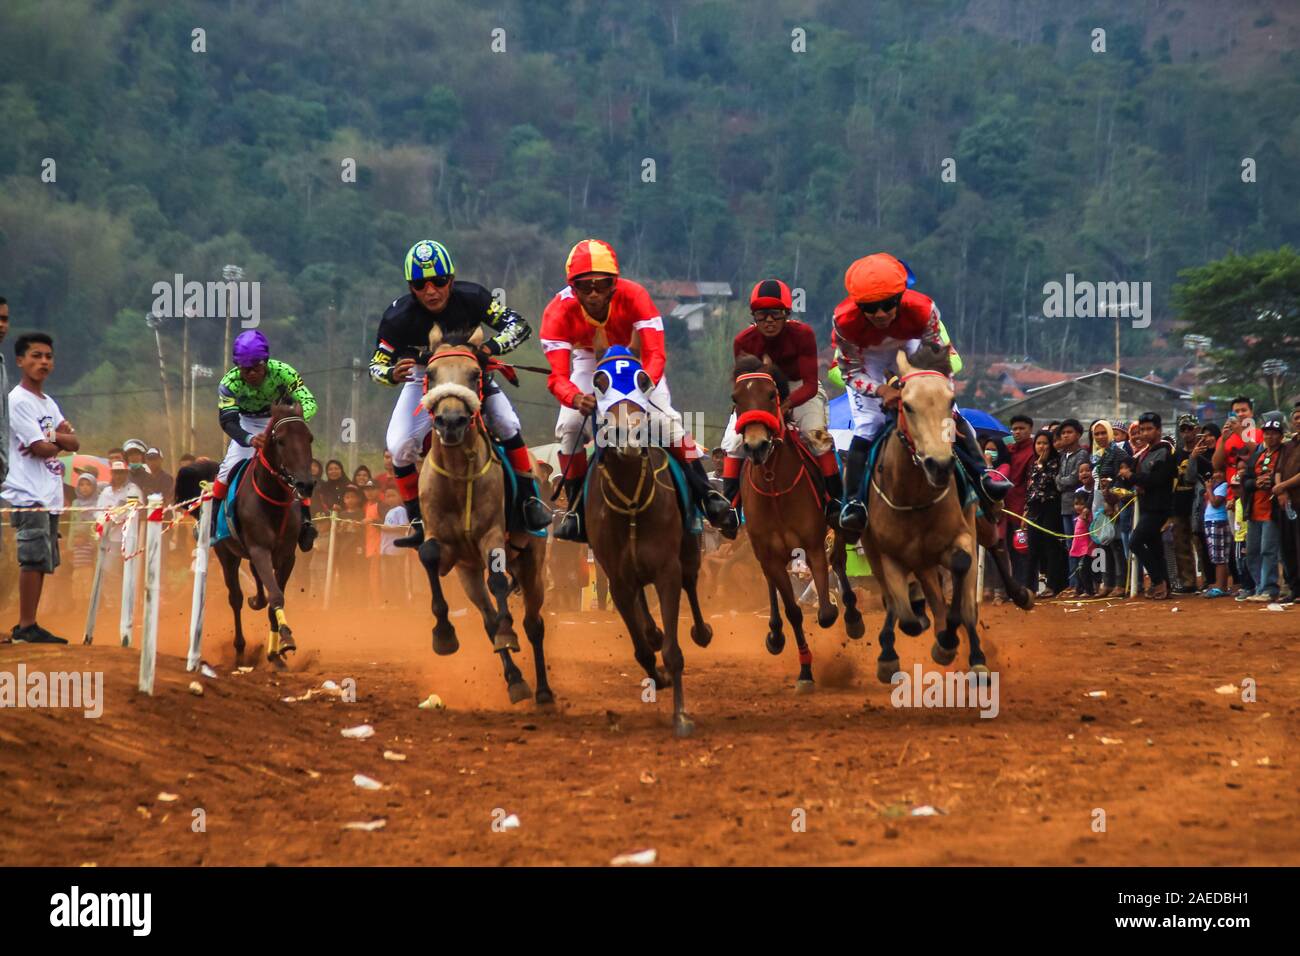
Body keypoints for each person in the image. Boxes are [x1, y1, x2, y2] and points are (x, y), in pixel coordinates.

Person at [540, 238, 735, 541]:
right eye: (584, 286)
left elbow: (656, 354)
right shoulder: (557, 311)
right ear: (572, 287)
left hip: (636, 361)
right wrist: (575, 398)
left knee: (667, 421)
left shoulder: (636, 296)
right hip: (589, 360)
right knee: (569, 425)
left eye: (602, 285)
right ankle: (576, 511)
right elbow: (557, 377)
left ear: (614, 284)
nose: (594, 294)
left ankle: (706, 495)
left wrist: (643, 388)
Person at [371, 239, 550, 548]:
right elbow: (377, 364)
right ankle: (417, 520)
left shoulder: (473, 296)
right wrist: (391, 373)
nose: (431, 291)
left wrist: (489, 348)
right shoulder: (397, 316)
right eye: (420, 284)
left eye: (439, 281)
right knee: (398, 445)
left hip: (469, 376)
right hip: (422, 379)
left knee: (507, 423)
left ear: (451, 280)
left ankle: (530, 503)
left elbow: (518, 325)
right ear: (411, 288)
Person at [830, 253, 1010, 534]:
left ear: (902, 297)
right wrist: (882, 389)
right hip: (869, 359)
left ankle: (982, 474)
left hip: (912, 345)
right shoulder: (843, 321)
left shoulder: (924, 309)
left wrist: (923, 388)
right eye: (870, 308)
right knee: (869, 424)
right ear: (857, 305)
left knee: (948, 412)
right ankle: (853, 503)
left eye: (887, 305)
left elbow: (940, 360)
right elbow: (850, 373)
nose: (879, 314)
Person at [719, 278, 842, 518]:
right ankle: (730, 510)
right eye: (761, 315)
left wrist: (785, 405)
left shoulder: (803, 334)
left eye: (775, 314)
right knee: (732, 444)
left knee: (817, 437)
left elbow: (809, 384)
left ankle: (835, 504)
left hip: (798, 388)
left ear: (787, 313)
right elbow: (743, 385)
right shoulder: (742, 341)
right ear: (753, 316)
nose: (769, 321)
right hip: (758, 391)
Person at [1, 332, 79, 643]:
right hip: (27, 491)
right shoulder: (17, 401)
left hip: (48, 491)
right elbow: (40, 447)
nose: (43, 361)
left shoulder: (48, 402)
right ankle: (25, 625)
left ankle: (30, 623)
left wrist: (56, 440)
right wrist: (58, 439)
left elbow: (74, 442)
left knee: (44, 560)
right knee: (32, 557)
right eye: (36, 356)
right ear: (20, 361)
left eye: (48, 356)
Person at [213, 330, 319, 551]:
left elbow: (309, 402)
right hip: (246, 423)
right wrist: (249, 439)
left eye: (256, 368)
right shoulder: (229, 383)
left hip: (280, 419)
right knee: (226, 470)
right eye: (245, 369)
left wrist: (294, 420)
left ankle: (306, 522)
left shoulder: (284, 373)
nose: (251, 373)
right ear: (237, 366)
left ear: (266, 363)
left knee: (298, 467)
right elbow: (227, 421)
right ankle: (213, 525)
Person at [1127, 412, 1177, 600]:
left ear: (1158, 430)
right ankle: (1165, 585)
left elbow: (1157, 479)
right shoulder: (1144, 453)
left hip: (1159, 507)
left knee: (1135, 542)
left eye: (1149, 429)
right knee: (1155, 547)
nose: (1145, 433)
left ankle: (1157, 581)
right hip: (1147, 505)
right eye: (1142, 430)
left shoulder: (1165, 451)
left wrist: (1132, 477)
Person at [1238, 419, 1285, 602]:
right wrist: (1255, 483)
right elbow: (1246, 481)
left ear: (1281, 436)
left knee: (1268, 550)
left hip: (1271, 511)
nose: (1269, 436)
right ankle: (1260, 586)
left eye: (1273, 433)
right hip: (1254, 509)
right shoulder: (1258, 455)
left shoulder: (1284, 454)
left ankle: (1269, 588)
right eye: (1266, 432)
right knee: (1252, 552)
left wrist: (1272, 482)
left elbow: (1286, 474)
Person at [1021, 429, 1067, 597]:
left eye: (1045, 443)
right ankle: (1029, 588)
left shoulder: (1056, 462)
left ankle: (1052, 586)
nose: (1042, 447)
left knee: (1051, 546)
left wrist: (1042, 465)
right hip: (1034, 509)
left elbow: (1046, 483)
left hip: (1051, 507)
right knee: (1032, 549)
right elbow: (1031, 488)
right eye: (1038, 443)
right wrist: (1026, 511)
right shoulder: (1034, 464)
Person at [1053, 419, 1088, 594]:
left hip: (1079, 506)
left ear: (1078, 434)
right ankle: (1073, 583)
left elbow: (1073, 479)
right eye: (1063, 433)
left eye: (1070, 432)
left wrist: (1061, 481)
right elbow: (1058, 481)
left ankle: (1082, 583)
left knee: (1081, 544)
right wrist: (1061, 481)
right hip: (1064, 506)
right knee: (1070, 545)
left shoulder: (1081, 454)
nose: (1066, 435)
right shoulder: (1062, 456)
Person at [1201, 471, 1231, 598]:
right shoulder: (1217, 487)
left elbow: (1215, 502)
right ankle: (1220, 585)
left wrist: (1208, 488)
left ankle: (1221, 586)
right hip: (1212, 521)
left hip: (1218, 521)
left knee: (1220, 556)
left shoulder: (1224, 486)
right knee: (1216, 555)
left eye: (1219, 472)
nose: (1214, 476)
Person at [1069, 490, 1096, 596]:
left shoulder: (1087, 516)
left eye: (1081, 504)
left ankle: (1089, 591)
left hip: (1087, 549)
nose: (1078, 507)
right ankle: (1079, 589)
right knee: (1078, 570)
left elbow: (1092, 531)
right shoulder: (1078, 517)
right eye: (1076, 504)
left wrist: (1091, 544)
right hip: (1078, 549)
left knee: (1084, 570)